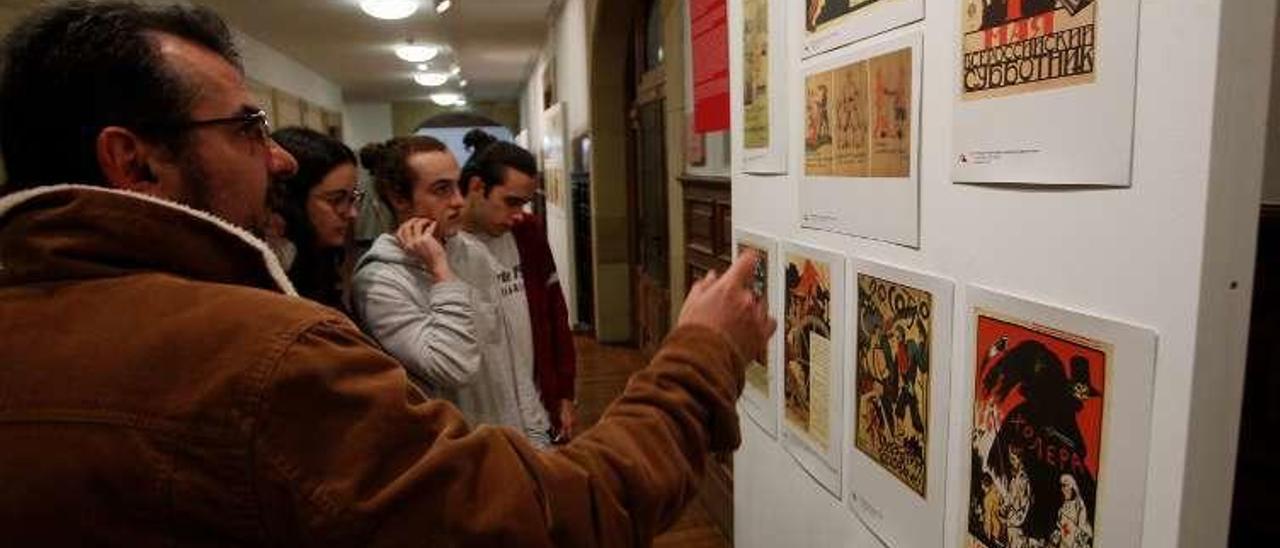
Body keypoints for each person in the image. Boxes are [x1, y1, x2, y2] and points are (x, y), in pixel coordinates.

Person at [0, 2, 773, 545]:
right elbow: (546, 519)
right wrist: (700, 354)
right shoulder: (259, 354)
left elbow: (528, 326)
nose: (274, 159)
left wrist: (550, 401)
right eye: (246, 128)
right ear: (132, 160)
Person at [457, 129, 578, 444]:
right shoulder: (446, 247)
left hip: (536, 400)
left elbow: (555, 313)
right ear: (476, 187)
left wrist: (565, 392)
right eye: (510, 202)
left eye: (523, 204)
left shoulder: (528, 232)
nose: (516, 215)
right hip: (480, 414)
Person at [350, 135, 484, 417]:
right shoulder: (378, 281)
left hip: (497, 430)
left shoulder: (470, 249)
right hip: (445, 443)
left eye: (457, 186)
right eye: (441, 189)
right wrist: (440, 270)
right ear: (399, 198)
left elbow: (502, 352)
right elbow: (454, 365)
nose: (459, 201)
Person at [270, 126, 360, 310]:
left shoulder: (322, 258)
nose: (352, 213)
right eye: (336, 200)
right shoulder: (275, 276)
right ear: (292, 200)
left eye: (352, 198)